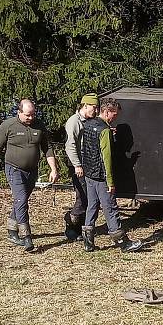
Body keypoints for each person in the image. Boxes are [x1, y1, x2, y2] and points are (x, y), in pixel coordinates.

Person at [0, 99, 58, 251]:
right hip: (14, 169)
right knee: (22, 199)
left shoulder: (39, 126)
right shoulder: (8, 126)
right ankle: (27, 237)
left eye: (33, 114)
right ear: (19, 112)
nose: (31, 118)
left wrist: (53, 169)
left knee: (21, 200)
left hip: (32, 171)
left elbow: (47, 148)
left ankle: (12, 230)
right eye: (27, 115)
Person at [80, 97, 143, 253]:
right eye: (114, 115)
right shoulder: (104, 131)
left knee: (92, 206)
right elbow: (106, 158)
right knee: (110, 208)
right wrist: (110, 182)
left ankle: (88, 241)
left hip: (89, 174)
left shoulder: (88, 124)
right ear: (106, 111)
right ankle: (122, 241)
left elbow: (87, 148)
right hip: (102, 176)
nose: (116, 118)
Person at [62, 93, 99, 241]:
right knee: (82, 198)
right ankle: (70, 224)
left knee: (88, 197)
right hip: (78, 166)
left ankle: (81, 228)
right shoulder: (74, 122)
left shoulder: (89, 121)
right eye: (93, 107)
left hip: (87, 165)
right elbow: (70, 145)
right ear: (85, 106)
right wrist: (77, 165)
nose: (95, 111)